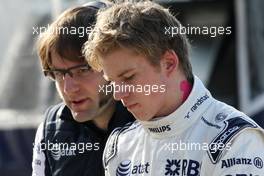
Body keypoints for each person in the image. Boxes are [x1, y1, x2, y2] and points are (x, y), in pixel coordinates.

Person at [84, 1, 264, 175]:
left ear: (169, 63)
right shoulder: (120, 145)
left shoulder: (235, 139)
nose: (117, 94)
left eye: (128, 77)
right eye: (112, 82)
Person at [31, 1, 134, 176]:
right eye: (58, 73)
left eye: (83, 70)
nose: (69, 88)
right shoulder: (51, 128)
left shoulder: (153, 120)